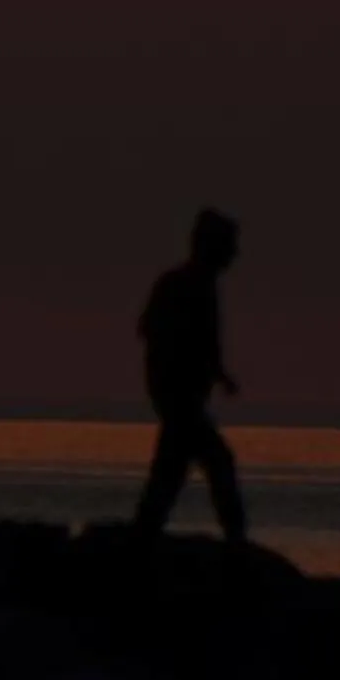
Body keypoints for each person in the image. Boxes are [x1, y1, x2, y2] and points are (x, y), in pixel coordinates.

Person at [134, 209, 248, 543]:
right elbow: (151, 330)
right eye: (229, 245)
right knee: (216, 461)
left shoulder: (203, 287)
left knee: (170, 471)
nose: (234, 254)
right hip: (177, 397)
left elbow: (207, 344)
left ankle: (144, 534)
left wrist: (220, 374)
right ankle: (236, 540)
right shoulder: (181, 285)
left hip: (183, 397)